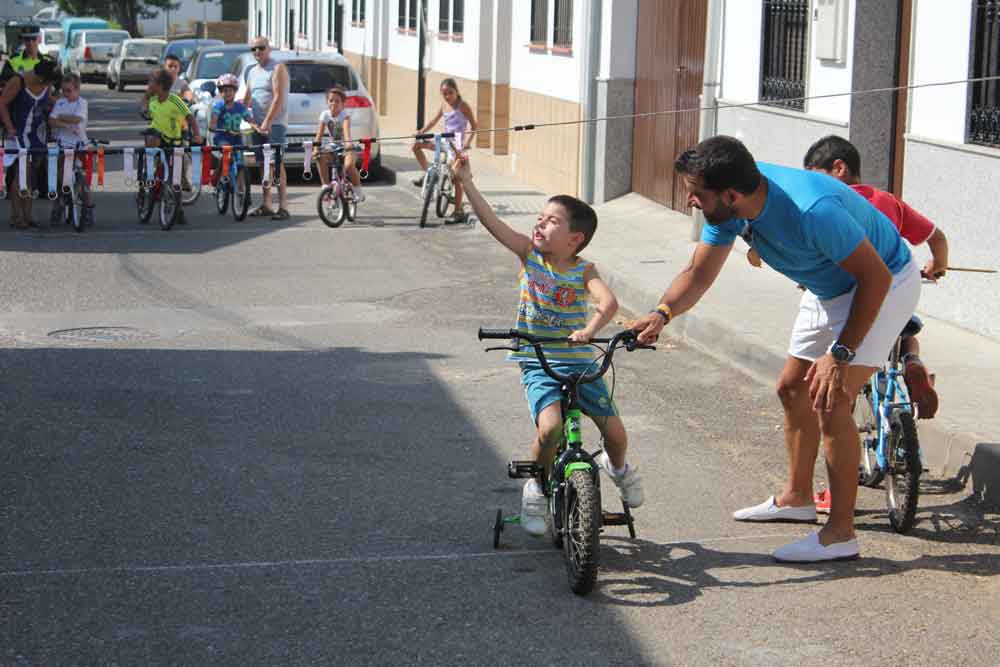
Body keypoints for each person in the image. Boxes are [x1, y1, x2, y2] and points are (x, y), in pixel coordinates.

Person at [630, 136, 920, 563]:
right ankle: (797, 498)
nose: (690, 200)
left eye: (697, 193)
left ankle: (840, 534)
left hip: (884, 283)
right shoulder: (731, 204)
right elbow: (698, 271)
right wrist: (662, 312)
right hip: (827, 287)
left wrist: (840, 353)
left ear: (730, 194)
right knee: (791, 388)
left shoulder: (812, 211)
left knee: (831, 399)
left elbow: (874, 277)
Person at [452, 154, 644, 537]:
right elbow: (493, 224)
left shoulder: (583, 269)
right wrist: (467, 182)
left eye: (552, 220)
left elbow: (608, 304)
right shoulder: (529, 254)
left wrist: (591, 329)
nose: (540, 223)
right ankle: (536, 486)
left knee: (617, 434)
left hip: (580, 362)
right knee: (551, 428)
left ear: (575, 239)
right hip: (538, 359)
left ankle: (618, 469)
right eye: (540, 217)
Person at [803, 135, 944, 420]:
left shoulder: (827, 207)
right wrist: (937, 264)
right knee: (905, 331)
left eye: (815, 178)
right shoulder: (888, 202)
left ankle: (841, 421)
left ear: (838, 169)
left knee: (838, 373)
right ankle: (912, 362)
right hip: (893, 294)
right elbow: (936, 237)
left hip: (848, 301)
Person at [0, 59, 61, 229]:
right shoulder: (18, 81)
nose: (50, 85)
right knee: (22, 174)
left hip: (37, 134)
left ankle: (27, 216)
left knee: (31, 176)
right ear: (42, 79)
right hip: (18, 133)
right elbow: (2, 103)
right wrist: (9, 127)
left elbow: (48, 99)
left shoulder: (46, 84)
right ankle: (16, 217)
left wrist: (68, 104)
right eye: (49, 82)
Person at [411, 78, 477, 224]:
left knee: (456, 178)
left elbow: (474, 126)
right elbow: (433, 121)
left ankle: (458, 211)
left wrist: (467, 143)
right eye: (444, 94)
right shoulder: (444, 105)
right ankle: (430, 173)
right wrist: (421, 132)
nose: (447, 96)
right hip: (444, 141)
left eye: (450, 93)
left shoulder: (463, 106)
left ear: (456, 91)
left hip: (457, 145)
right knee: (416, 146)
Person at [143, 68, 203, 223]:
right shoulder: (152, 99)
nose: (149, 85)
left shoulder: (174, 100)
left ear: (161, 85)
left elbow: (190, 118)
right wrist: (144, 106)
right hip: (156, 137)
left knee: (175, 178)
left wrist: (196, 134)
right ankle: (149, 176)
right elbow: (145, 106)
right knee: (152, 136)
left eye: (152, 82)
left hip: (174, 141)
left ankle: (179, 209)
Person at [243, 36, 290, 220]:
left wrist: (268, 122)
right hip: (258, 125)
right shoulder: (252, 71)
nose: (257, 52)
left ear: (268, 49)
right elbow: (247, 98)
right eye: (253, 49)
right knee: (262, 163)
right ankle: (266, 203)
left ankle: (283, 206)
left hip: (275, 124)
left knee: (276, 162)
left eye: (261, 48)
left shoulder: (278, 68)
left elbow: (278, 97)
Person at [48, 72, 93, 223]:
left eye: (69, 90)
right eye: (63, 90)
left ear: (77, 90)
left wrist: (60, 117)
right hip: (63, 143)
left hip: (80, 143)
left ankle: (87, 209)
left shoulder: (82, 102)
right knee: (59, 175)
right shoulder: (60, 102)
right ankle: (58, 205)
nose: (66, 94)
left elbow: (77, 118)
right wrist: (65, 124)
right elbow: (51, 121)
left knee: (84, 180)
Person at [313, 86, 364, 202]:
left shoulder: (345, 115)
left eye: (337, 101)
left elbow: (346, 132)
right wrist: (316, 148)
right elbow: (319, 135)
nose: (334, 104)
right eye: (331, 101)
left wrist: (348, 144)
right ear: (327, 102)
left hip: (347, 146)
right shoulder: (325, 115)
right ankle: (325, 186)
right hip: (333, 147)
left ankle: (358, 191)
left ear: (343, 104)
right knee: (319, 156)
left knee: (348, 166)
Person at [209, 73, 251, 147]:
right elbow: (214, 121)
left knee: (240, 152)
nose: (228, 93)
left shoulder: (240, 107)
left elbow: (250, 120)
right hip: (222, 138)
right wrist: (213, 126)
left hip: (237, 138)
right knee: (227, 149)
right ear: (221, 93)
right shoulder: (218, 106)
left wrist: (257, 127)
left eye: (230, 90)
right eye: (225, 91)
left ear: (235, 91)